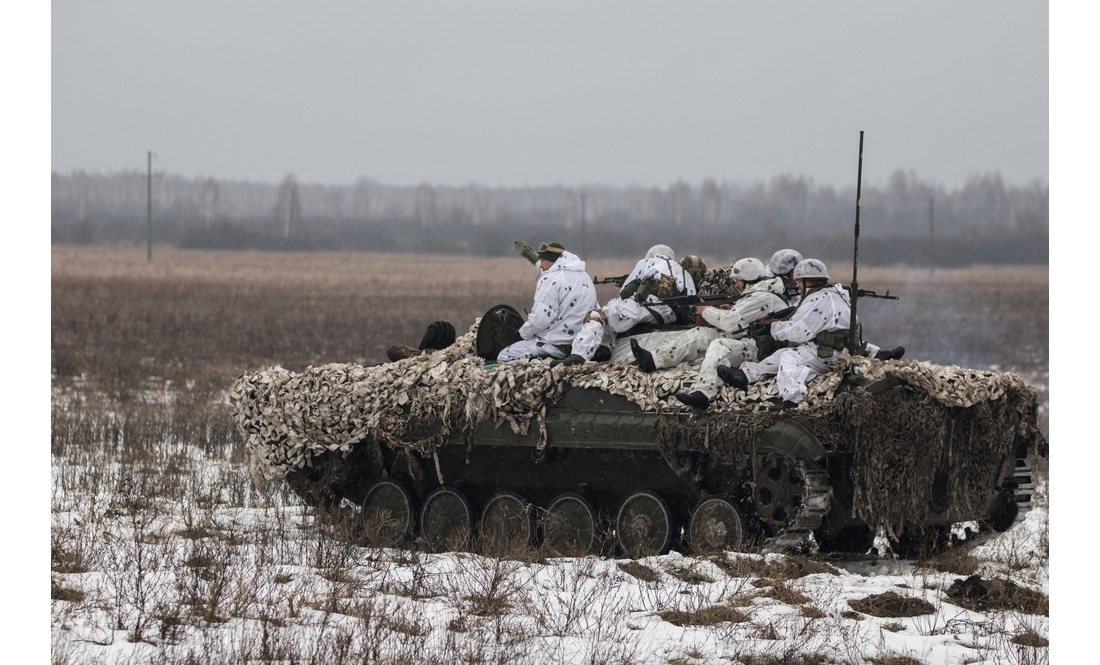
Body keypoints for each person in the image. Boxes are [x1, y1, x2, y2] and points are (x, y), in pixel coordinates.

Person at [716, 258, 893, 410]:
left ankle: (792, 399)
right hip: (835, 348)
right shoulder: (836, 293)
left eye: (800, 281)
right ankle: (747, 375)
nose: (798, 285)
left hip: (829, 355)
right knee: (780, 355)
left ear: (810, 281)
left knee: (788, 358)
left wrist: (771, 328)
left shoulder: (818, 300)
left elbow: (798, 331)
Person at [627, 258, 788, 411]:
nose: (736, 285)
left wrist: (706, 310)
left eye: (738, 280)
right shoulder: (757, 294)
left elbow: (731, 323)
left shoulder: (763, 296)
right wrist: (722, 310)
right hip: (749, 341)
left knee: (719, 345)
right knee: (701, 334)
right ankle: (653, 360)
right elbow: (741, 318)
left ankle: (703, 395)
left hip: (760, 349)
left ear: (748, 279)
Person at [551, 244, 695, 366]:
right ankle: (603, 349)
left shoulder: (647, 263)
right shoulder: (683, 272)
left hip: (648, 306)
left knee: (599, 315)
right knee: (614, 315)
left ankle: (579, 355)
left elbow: (625, 293)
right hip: (669, 316)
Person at [496, 242, 597, 363]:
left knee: (504, 356)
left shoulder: (551, 279)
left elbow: (542, 318)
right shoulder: (584, 276)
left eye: (543, 260)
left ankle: (542, 362)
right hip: (580, 344)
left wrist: (522, 333)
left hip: (554, 345)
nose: (541, 265)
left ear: (553, 260)